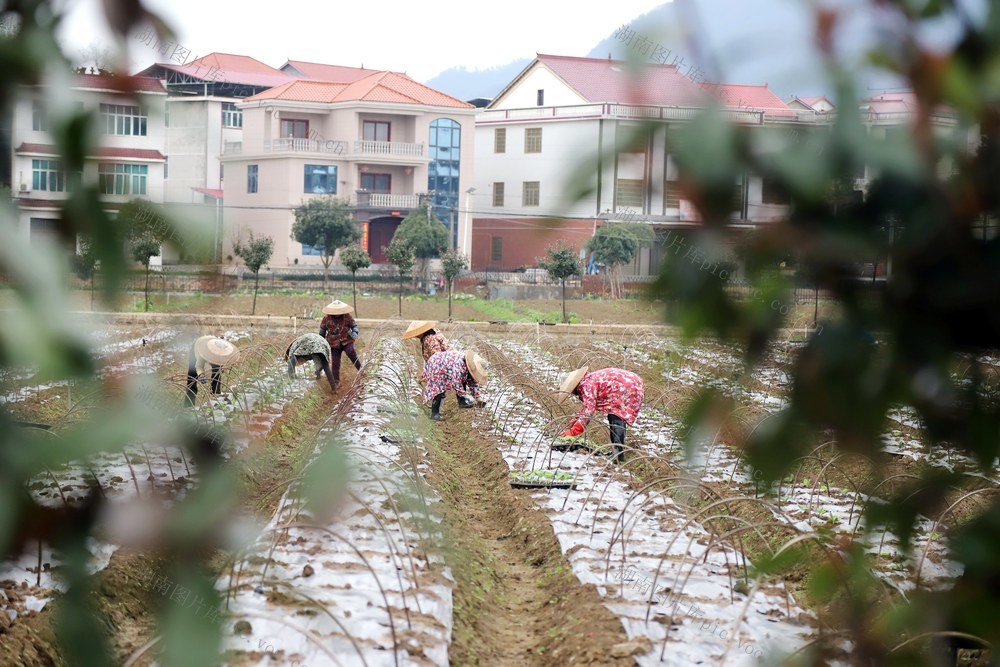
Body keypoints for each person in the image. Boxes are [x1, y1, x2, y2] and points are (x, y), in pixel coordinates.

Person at [556, 366, 644, 463]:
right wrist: (576, 420)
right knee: (615, 416)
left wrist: (574, 430)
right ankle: (617, 452)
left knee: (616, 417)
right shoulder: (588, 380)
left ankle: (618, 455)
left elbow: (589, 410)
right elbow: (587, 407)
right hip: (627, 384)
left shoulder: (586, 385)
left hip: (627, 387)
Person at [403, 321, 477, 408]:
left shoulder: (430, 339)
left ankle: (437, 412)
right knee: (460, 380)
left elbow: (436, 357)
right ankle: (460, 401)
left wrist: (428, 371)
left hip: (446, 363)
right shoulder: (432, 334)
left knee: (441, 385)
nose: (416, 336)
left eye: (417, 334)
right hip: (450, 362)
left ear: (422, 332)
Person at [422, 349, 487, 421]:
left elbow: (472, 382)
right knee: (439, 390)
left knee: (464, 380)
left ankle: (462, 402)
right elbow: (456, 383)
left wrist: (478, 397)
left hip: (446, 364)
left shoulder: (470, 367)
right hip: (436, 365)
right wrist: (465, 395)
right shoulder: (459, 366)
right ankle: (435, 414)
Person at [185, 335, 240, 407]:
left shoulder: (218, 347)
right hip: (197, 348)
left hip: (210, 343)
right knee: (192, 379)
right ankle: (188, 405)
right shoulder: (201, 351)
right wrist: (201, 375)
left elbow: (221, 361)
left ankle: (216, 396)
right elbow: (198, 366)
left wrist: (220, 367)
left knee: (217, 372)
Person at [319, 299, 362, 389]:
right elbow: (322, 331)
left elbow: (354, 325)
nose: (337, 313)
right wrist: (321, 340)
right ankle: (336, 381)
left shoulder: (347, 317)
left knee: (351, 352)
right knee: (335, 362)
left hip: (347, 340)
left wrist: (355, 331)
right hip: (333, 343)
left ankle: (361, 370)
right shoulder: (326, 319)